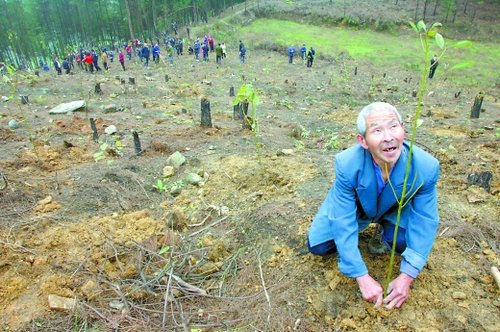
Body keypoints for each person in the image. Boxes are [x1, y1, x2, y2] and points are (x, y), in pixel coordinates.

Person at [307, 102, 440, 310]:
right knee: (319, 246)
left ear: (403, 128)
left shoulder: (426, 167)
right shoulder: (347, 164)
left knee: (403, 244)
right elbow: (342, 219)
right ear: (363, 141)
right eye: (377, 130)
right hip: (357, 208)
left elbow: (425, 220)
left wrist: (407, 276)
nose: (388, 137)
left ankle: (383, 230)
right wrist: (361, 275)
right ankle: (360, 230)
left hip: (395, 209)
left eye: (393, 126)